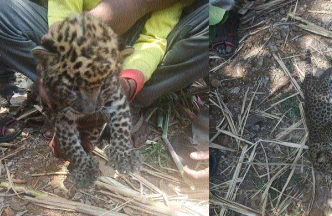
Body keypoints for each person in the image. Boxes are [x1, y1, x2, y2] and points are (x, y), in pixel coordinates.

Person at [0, 0, 209, 179]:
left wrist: (127, 84)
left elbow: (153, 39)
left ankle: (131, 101)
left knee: (211, 23)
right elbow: (63, 8)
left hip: (131, 48)